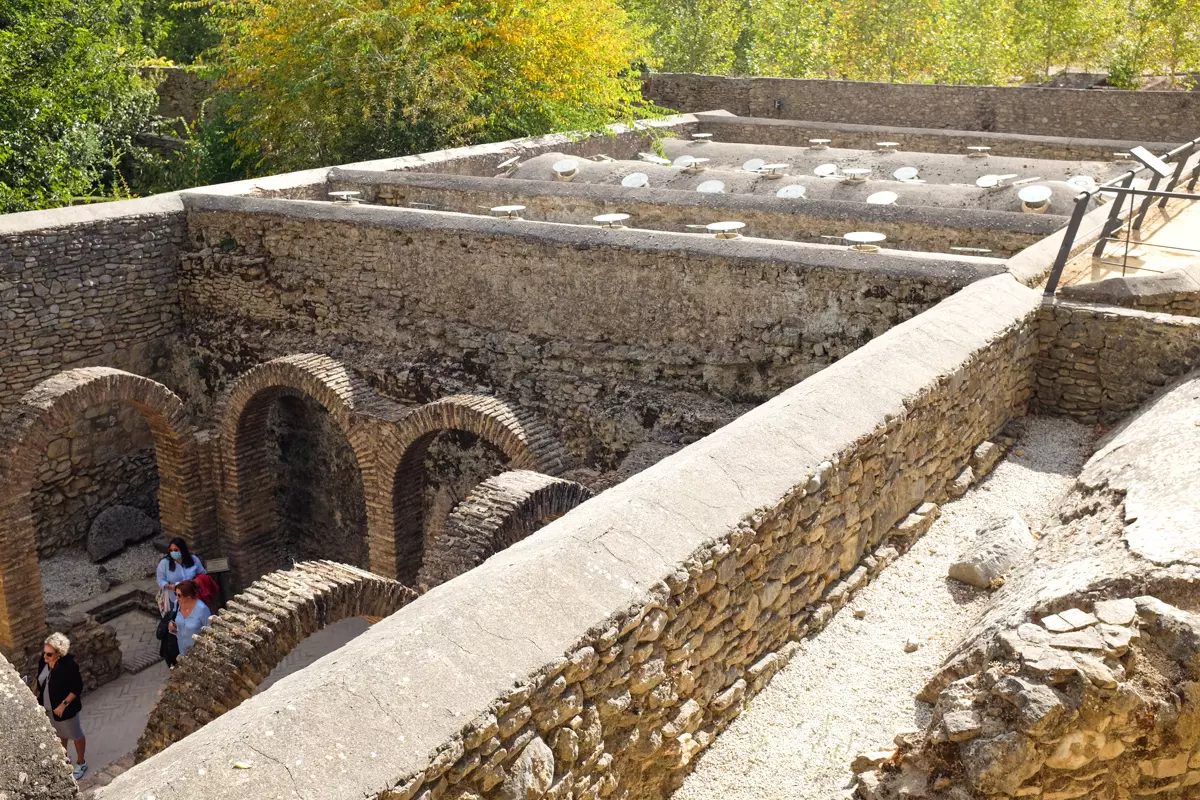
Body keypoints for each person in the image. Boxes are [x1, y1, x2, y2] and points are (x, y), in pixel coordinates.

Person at [34, 632, 88, 780]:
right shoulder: (43, 661)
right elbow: (39, 680)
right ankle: (65, 760)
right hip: (48, 708)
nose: (45, 657)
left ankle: (81, 762)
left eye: (49, 654)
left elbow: (76, 688)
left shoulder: (69, 666)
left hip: (65, 709)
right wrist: (34, 694)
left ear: (59, 653)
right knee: (60, 735)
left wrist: (63, 705)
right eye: (44, 653)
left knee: (75, 735)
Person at [157, 537, 206, 611]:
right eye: (171, 550)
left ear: (182, 549)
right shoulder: (164, 563)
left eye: (176, 550)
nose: (173, 552)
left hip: (193, 596)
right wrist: (170, 586)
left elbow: (203, 574)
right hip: (175, 598)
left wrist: (194, 582)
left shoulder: (193, 560)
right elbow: (160, 580)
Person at [168, 580, 212, 658]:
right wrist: (172, 625)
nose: (176, 597)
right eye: (175, 594)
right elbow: (173, 618)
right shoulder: (177, 604)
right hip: (181, 649)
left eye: (179, 595)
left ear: (188, 597)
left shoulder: (202, 609)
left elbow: (209, 632)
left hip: (197, 653)